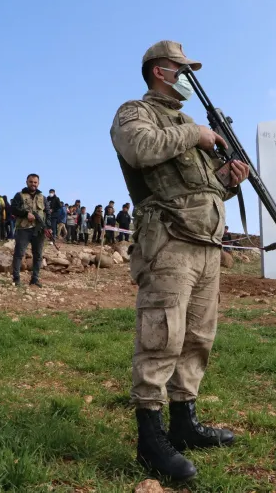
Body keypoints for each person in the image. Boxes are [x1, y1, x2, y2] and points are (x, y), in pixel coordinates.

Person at [109, 40, 249, 481]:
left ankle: (184, 423)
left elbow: (200, 189)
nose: (189, 77)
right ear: (159, 72)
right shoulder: (136, 112)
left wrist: (227, 180)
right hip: (168, 242)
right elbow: (139, 150)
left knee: (197, 337)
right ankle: (150, 440)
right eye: (181, 69)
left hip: (206, 247)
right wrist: (196, 134)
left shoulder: (185, 123)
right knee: (162, 336)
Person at [10, 174, 51, 287]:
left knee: (38, 255)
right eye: (31, 182)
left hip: (39, 230)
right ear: (27, 182)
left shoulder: (43, 197)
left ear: (38, 183)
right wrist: (25, 214)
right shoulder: (19, 195)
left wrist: (49, 227)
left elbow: (47, 213)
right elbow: (13, 209)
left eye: (35, 182)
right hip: (24, 229)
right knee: (19, 254)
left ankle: (35, 279)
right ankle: (16, 278)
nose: (33, 184)